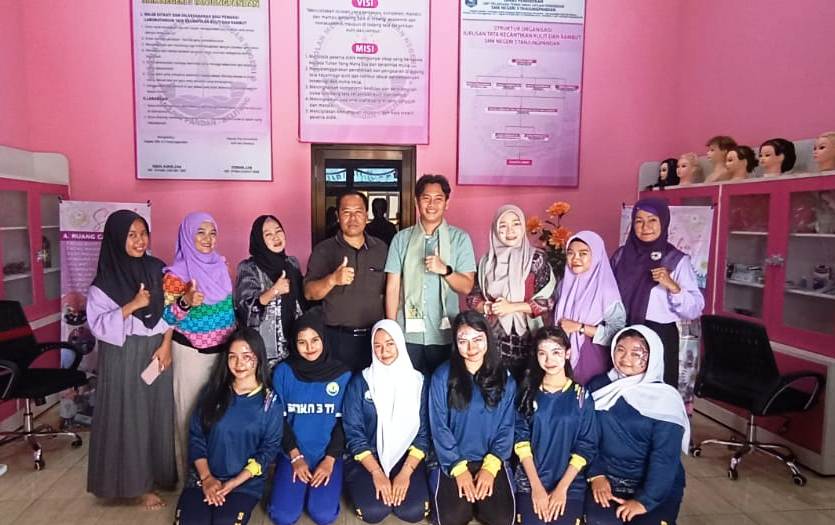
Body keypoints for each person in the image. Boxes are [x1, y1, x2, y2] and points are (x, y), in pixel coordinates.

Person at [86, 210, 176, 509]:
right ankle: (136, 486)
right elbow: (98, 325)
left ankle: (158, 475)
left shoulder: (157, 268)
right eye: (131, 235)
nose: (140, 241)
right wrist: (133, 305)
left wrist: (167, 345)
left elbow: (170, 310)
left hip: (156, 349)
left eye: (143, 234)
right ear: (116, 238)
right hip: (122, 355)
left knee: (157, 414)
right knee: (129, 418)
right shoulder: (104, 282)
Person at [174, 328, 284, 525]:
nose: (239, 363)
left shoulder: (270, 403)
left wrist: (234, 482)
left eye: (246, 357)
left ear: (259, 358)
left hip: (243, 483)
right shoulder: (212, 392)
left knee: (224, 521)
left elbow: (268, 450)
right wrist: (207, 478)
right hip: (202, 477)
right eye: (233, 357)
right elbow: (196, 436)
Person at [584, 326, 690, 525]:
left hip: (654, 484)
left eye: (636, 353)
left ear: (653, 357)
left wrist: (645, 501)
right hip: (608, 478)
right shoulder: (599, 386)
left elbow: (665, 456)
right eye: (620, 349)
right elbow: (586, 436)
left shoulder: (665, 399)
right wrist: (596, 475)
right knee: (599, 521)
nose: (626, 358)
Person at [163, 211, 237, 478]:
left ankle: (220, 472)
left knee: (221, 415)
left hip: (224, 353)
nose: (208, 239)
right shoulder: (176, 274)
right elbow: (165, 318)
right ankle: (191, 479)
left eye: (212, 233)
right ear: (187, 236)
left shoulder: (221, 265)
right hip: (191, 353)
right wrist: (185, 302)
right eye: (200, 233)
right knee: (189, 415)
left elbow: (229, 308)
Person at [428, 311, 516, 525]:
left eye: (477, 339)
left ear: (488, 338)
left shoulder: (504, 378)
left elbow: (507, 427)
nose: (471, 347)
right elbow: (439, 426)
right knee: (451, 518)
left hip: (490, 458)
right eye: (463, 341)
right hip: (453, 458)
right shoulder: (442, 376)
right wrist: (458, 469)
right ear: (455, 343)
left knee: (502, 519)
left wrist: (490, 468)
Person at [385, 174, 477, 374]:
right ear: (417, 201)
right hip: (407, 333)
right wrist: (391, 330)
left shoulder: (460, 239)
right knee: (410, 387)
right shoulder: (401, 239)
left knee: (443, 385)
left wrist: (445, 270)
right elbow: (392, 287)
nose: (432, 204)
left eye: (438, 199)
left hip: (445, 332)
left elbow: (467, 286)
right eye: (426, 198)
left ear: (447, 203)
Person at [267, 309, 352, 525]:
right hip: (293, 453)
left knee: (323, 514)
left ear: (324, 339)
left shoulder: (342, 374)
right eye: (302, 342)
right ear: (294, 344)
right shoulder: (283, 372)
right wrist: (295, 457)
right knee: (283, 516)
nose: (309, 347)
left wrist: (330, 459)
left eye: (315, 340)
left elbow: (345, 423)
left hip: (328, 454)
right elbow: (277, 420)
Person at [343, 320, 431, 523]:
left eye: (390, 343)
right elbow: (354, 432)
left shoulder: (418, 382)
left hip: (406, 456)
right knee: (373, 511)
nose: (384, 351)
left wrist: (406, 473)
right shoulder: (361, 382)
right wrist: (376, 472)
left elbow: (423, 433)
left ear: (400, 343)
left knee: (413, 510)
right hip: (368, 456)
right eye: (378, 346)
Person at [610, 198, 704, 388]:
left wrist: (673, 286)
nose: (645, 227)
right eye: (639, 221)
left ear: (664, 221)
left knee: (656, 390)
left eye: (652, 220)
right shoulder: (621, 256)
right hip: (622, 329)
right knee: (623, 388)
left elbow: (695, 309)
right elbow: (606, 294)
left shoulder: (676, 260)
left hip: (659, 335)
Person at [514, 327, 598, 525]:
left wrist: (562, 489)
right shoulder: (527, 392)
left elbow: (586, 445)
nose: (549, 360)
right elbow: (520, 439)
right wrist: (536, 487)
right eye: (542, 353)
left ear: (567, 353)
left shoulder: (581, 396)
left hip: (569, 483)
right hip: (531, 480)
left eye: (556, 352)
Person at [467, 204, 555, 380]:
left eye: (516, 224)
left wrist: (511, 307)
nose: (510, 231)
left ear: (523, 226)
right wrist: (486, 307)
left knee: (526, 387)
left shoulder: (536, 259)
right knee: (495, 386)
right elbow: (472, 298)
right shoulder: (487, 261)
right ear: (495, 229)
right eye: (503, 225)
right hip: (493, 340)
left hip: (529, 338)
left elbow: (548, 302)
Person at [304, 191, 388, 372]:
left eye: (358, 212)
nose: (353, 218)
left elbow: (391, 291)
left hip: (374, 338)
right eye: (346, 212)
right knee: (336, 385)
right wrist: (333, 279)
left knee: (369, 387)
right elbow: (309, 293)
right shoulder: (324, 250)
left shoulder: (381, 249)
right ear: (337, 215)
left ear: (367, 215)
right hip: (336, 338)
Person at [553, 231, 625, 385]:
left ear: (596, 256)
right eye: (570, 253)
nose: (575, 258)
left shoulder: (606, 290)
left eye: (583, 253)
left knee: (588, 395)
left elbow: (618, 334)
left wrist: (579, 327)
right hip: (562, 352)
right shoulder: (564, 284)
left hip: (592, 356)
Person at [235, 215, 304, 368]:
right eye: (268, 234)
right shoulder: (249, 268)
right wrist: (274, 291)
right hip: (266, 349)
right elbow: (245, 309)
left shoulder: (291, 263)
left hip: (294, 345)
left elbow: (302, 302)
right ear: (259, 240)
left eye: (278, 231)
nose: (276, 237)